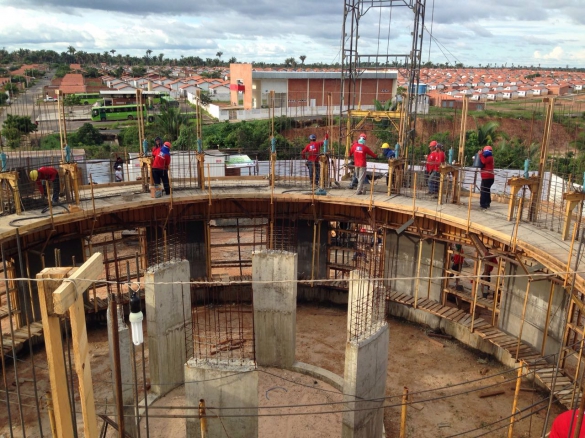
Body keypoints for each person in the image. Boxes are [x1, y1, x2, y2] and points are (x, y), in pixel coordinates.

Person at [479, 145, 494, 209]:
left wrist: (480, 155)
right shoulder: (490, 157)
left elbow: (484, 161)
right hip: (489, 177)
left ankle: (483, 204)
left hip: (487, 177)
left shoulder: (489, 157)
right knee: (487, 190)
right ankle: (487, 202)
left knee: (483, 190)